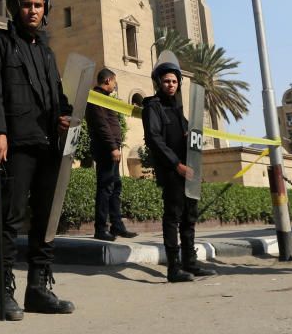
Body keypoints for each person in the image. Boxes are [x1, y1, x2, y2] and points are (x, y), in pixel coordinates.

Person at [0, 0, 74, 321]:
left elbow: (58, 97)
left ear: (45, 8)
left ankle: (38, 288)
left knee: (47, 219)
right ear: (14, 7)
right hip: (15, 146)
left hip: (50, 146)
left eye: (38, 4)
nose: (32, 10)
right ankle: (3, 293)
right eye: (26, 4)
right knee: (9, 219)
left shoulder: (47, 53)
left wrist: (66, 115)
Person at [141, 59, 216, 282]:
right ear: (158, 83)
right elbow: (154, 139)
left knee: (189, 217)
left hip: (189, 170)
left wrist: (194, 161)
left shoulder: (177, 108)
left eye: (174, 81)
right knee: (173, 217)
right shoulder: (152, 107)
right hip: (172, 171)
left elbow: (189, 136)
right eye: (166, 81)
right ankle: (174, 268)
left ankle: (189, 263)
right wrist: (177, 164)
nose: (170, 85)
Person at [85, 68, 137, 241]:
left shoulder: (105, 98)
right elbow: (101, 125)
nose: (115, 85)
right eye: (114, 81)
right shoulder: (96, 98)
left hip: (111, 149)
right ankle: (100, 229)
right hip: (106, 150)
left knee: (115, 187)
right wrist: (113, 147)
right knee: (105, 188)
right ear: (107, 80)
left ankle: (117, 226)